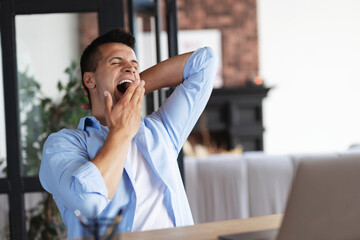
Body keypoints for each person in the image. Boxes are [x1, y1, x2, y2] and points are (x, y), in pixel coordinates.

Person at [39, 28, 217, 239]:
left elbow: (205, 63)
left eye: (135, 66)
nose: (130, 69)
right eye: (116, 62)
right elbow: (89, 202)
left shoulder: (160, 131)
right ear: (90, 80)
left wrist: (133, 87)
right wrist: (121, 132)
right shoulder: (63, 144)